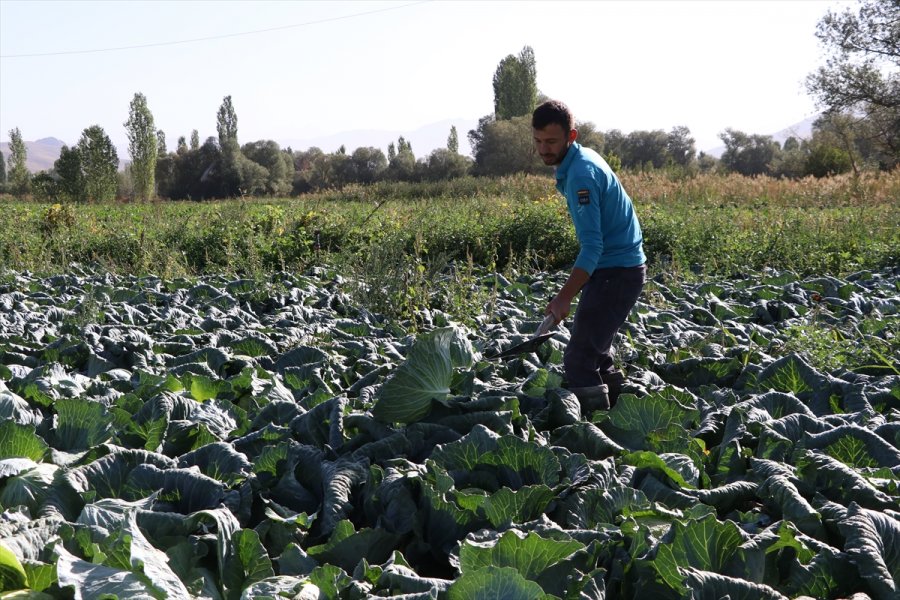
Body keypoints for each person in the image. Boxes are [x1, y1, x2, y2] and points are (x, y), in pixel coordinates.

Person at [532, 99, 646, 412]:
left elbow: (593, 246)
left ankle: (593, 438)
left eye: (552, 141)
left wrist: (563, 298)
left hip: (618, 271)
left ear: (571, 136)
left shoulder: (582, 174)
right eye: (538, 141)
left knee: (579, 358)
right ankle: (621, 418)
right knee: (597, 353)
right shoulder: (582, 159)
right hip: (618, 269)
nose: (544, 149)